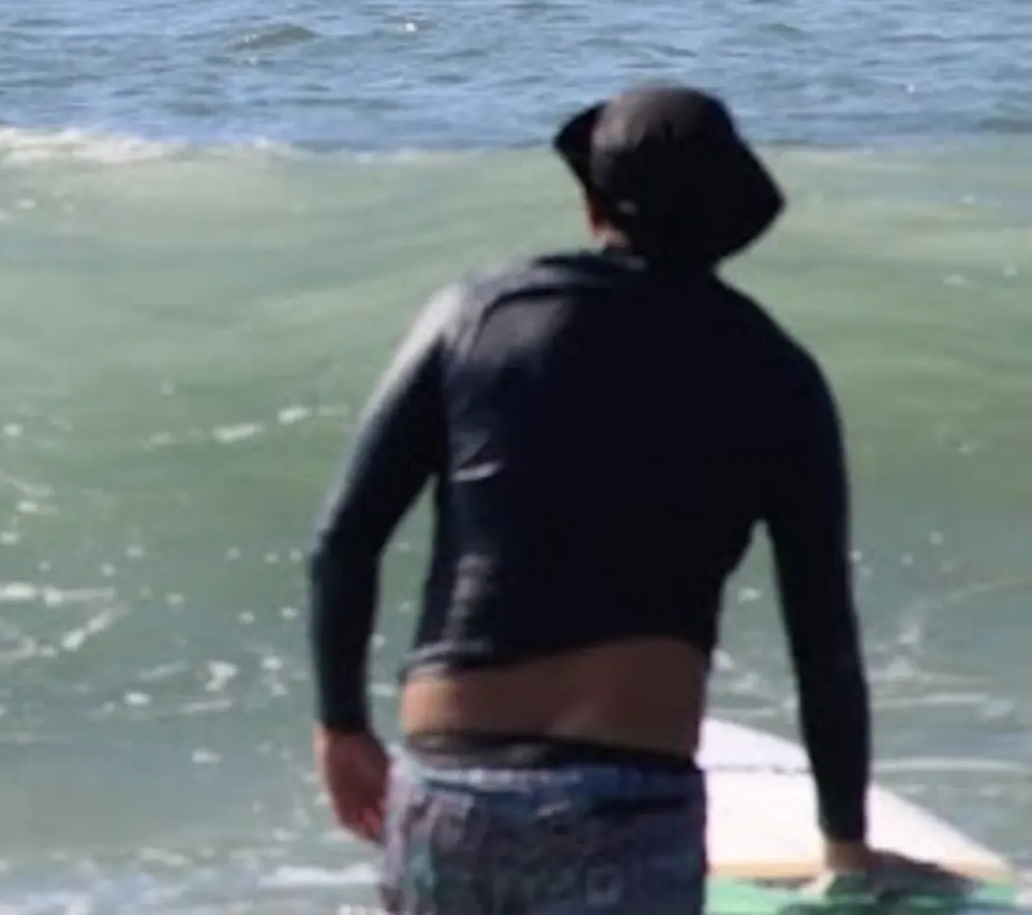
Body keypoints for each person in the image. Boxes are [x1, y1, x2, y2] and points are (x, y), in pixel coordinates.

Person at [303, 84, 890, 914]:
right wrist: (844, 843)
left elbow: (342, 541)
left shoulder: (474, 315)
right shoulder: (774, 372)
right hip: (629, 808)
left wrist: (341, 726)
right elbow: (822, 636)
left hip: (451, 792)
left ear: (591, 205)